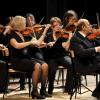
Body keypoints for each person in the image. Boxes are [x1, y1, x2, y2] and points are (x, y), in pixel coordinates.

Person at [8, 15, 50, 99]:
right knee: (37, 66)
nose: (25, 24)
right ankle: (34, 91)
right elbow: (17, 46)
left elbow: (37, 43)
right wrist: (29, 43)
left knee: (45, 66)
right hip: (17, 61)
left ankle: (43, 89)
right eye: (24, 23)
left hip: (26, 58)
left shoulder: (24, 34)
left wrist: (44, 31)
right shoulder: (12, 35)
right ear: (19, 24)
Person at [70, 18, 100, 99]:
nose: (91, 27)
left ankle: (97, 92)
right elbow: (81, 53)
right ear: (83, 27)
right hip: (83, 65)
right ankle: (97, 92)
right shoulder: (75, 38)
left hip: (91, 62)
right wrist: (96, 49)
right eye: (89, 25)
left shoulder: (86, 37)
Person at [43, 17, 73, 95]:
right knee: (52, 70)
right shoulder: (48, 36)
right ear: (52, 27)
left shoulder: (63, 35)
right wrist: (48, 44)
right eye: (54, 26)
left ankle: (68, 88)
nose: (56, 27)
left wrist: (70, 37)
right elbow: (44, 46)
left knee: (71, 65)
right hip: (52, 57)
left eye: (58, 25)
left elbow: (66, 48)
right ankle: (50, 87)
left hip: (62, 56)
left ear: (60, 25)